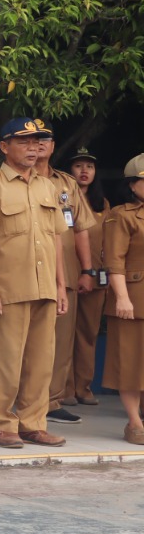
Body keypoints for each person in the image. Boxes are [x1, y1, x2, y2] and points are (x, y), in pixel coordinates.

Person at [0, 117, 68, 448]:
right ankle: (2, 424)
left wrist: (60, 285)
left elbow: (55, 238)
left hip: (44, 286)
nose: (33, 147)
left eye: (37, 141)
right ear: (4, 147)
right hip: (9, 288)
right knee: (7, 360)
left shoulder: (47, 186)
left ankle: (33, 423)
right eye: (24, 142)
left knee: (42, 362)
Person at [37, 138, 98, 423]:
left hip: (68, 274)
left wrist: (87, 270)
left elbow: (81, 229)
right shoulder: (2, 182)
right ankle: (22, 401)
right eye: (29, 140)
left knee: (61, 343)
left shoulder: (66, 184)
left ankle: (52, 400)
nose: (37, 145)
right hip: (24, 273)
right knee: (24, 342)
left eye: (44, 140)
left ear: (52, 146)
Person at [101, 154, 144, 447]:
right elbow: (114, 261)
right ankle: (134, 422)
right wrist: (122, 298)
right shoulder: (123, 215)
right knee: (129, 363)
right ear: (133, 185)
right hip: (135, 297)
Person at [69, 149, 108, 406]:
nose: (84, 171)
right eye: (79, 166)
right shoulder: (61, 198)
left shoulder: (102, 204)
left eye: (90, 167)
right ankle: (62, 388)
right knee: (61, 336)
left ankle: (83, 386)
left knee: (87, 334)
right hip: (67, 277)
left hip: (96, 278)